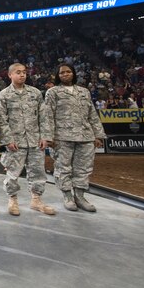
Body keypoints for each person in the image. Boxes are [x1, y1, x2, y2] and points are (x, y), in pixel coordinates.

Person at [44, 63, 106, 212]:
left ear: (73, 74)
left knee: (83, 169)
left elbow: (92, 114)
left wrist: (98, 134)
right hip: (62, 137)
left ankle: (80, 196)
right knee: (63, 168)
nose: (65, 74)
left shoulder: (84, 92)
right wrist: (49, 137)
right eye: (62, 73)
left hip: (85, 136)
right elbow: (48, 115)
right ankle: (68, 197)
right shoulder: (53, 92)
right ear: (58, 76)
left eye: (68, 72)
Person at [0, 63, 55, 216]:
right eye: (18, 72)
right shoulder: (4, 95)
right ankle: (12, 199)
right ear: (10, 75)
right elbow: (1, 120)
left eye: (24, 72)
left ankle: (36, 200)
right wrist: (8, 140)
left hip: (35, 140)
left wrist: (45, 137)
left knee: (38, 172)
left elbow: (43, 117)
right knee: (12, 174)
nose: (22, 75)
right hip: (15, 142)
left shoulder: (35, 93)